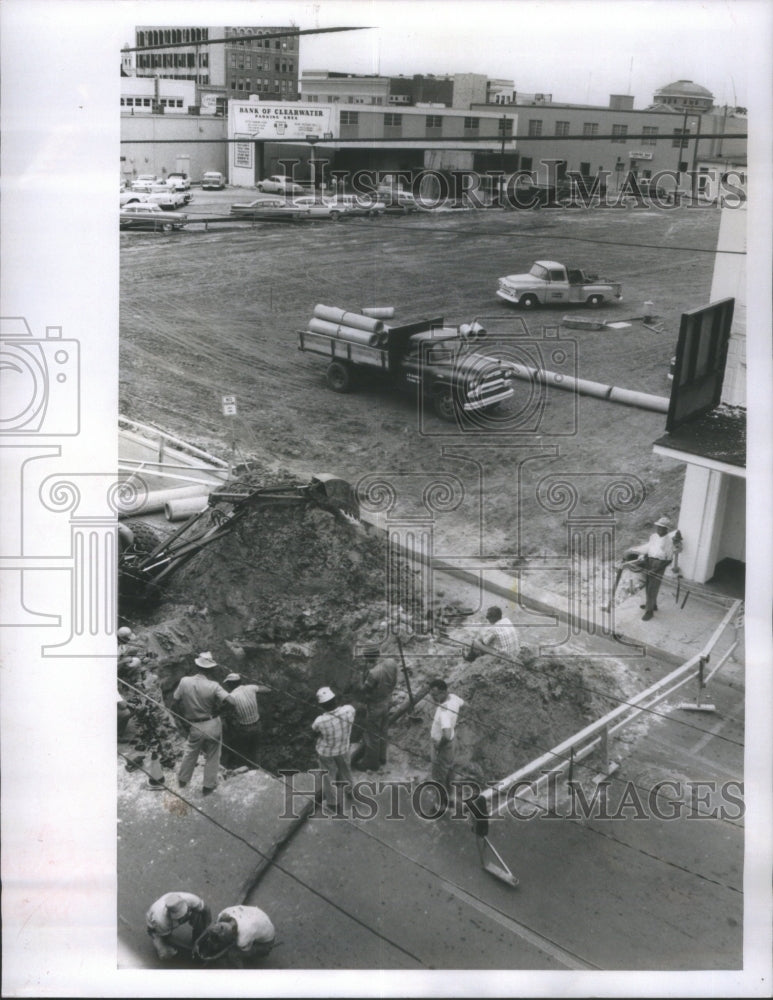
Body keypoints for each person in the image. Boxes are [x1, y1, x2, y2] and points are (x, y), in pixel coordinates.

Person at [173, 651, 230, 795]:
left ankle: (183, 780)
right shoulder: (214, 685)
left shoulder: (184, 681)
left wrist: (183, 721)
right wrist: (219, 710)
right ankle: (208, 786)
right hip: (212, 723)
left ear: (197, 665)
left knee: (190, 751)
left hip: (194, 724)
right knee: (213, 754)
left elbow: (175, 702)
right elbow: (231, 701)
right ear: (211, 668)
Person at [350, 648, 397, 772]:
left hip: (376, 706)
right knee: (383, 731)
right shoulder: (391, 662)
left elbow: (365, 690)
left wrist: (359, 679)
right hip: (387, 701)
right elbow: (394, 681)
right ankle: (382, 757)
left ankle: (371, 764)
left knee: (372, 736)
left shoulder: (374, 673)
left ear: (369, 658)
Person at [311, 686, 356, 810]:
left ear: (322, 706)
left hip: (327, 752)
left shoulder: (320, 721)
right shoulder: (349, 710)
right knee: (346, 770)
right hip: (343, 748)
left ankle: (332, 803)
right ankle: (350, 790)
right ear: (335, 700)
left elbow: (314, 732)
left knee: (328, 776)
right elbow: (348, 709)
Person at [630, 516, 682, 621]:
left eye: (662, 528)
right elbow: (649, 547)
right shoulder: (653, 536)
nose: (659, 529)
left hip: (660, 564)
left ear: (666, 529)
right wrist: (641, 554)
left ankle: (649, 612)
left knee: (652, 588)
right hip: (650, 561)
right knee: (648, 584)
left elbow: (669, 559)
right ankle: (652, 605)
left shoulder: (668, 541)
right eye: (658, 527)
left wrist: (657, 569)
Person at [193, 904, 275, 967]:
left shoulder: (243, 937)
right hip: (256, 917)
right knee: (215, 940)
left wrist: (212, 958)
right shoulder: (224, 914)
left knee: (233, 954)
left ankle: (237, 978)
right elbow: (211, 928)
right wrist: (197, 942)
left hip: (265, 943)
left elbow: (229, 948)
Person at [428, 678, 465, 812]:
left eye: (435, 694)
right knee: (449, 772)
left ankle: (440, 806)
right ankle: (450, 799)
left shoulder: (444, 712)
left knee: (438, 777)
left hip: (443, 746)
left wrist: (438, 745)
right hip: (452, 744)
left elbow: (446, 734)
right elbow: (464, 704)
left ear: (443, 692)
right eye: (431, 694)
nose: (433, 697)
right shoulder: (454, 698)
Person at [221, 672, 271, 769]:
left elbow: (223, 707)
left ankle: (244, 769)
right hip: (257, 725)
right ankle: (257, 769)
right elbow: (267, 689)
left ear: (231, 684)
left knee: (244, 752)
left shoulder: (232, 696)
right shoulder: (250, 688)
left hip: (244, 729)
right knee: (256, 750)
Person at [145, 891, 211, 960]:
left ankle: (198, 935)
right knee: (166, 953)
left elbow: (206, 909)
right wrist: (190, 948)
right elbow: (168, 938)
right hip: (155, 928)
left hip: (180, 913)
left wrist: (206, 929)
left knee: (199, 916)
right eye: (180, 917)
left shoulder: (191, 899)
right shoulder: (160, 920)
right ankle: (156, 938)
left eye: (184, 914)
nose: (183, 917)